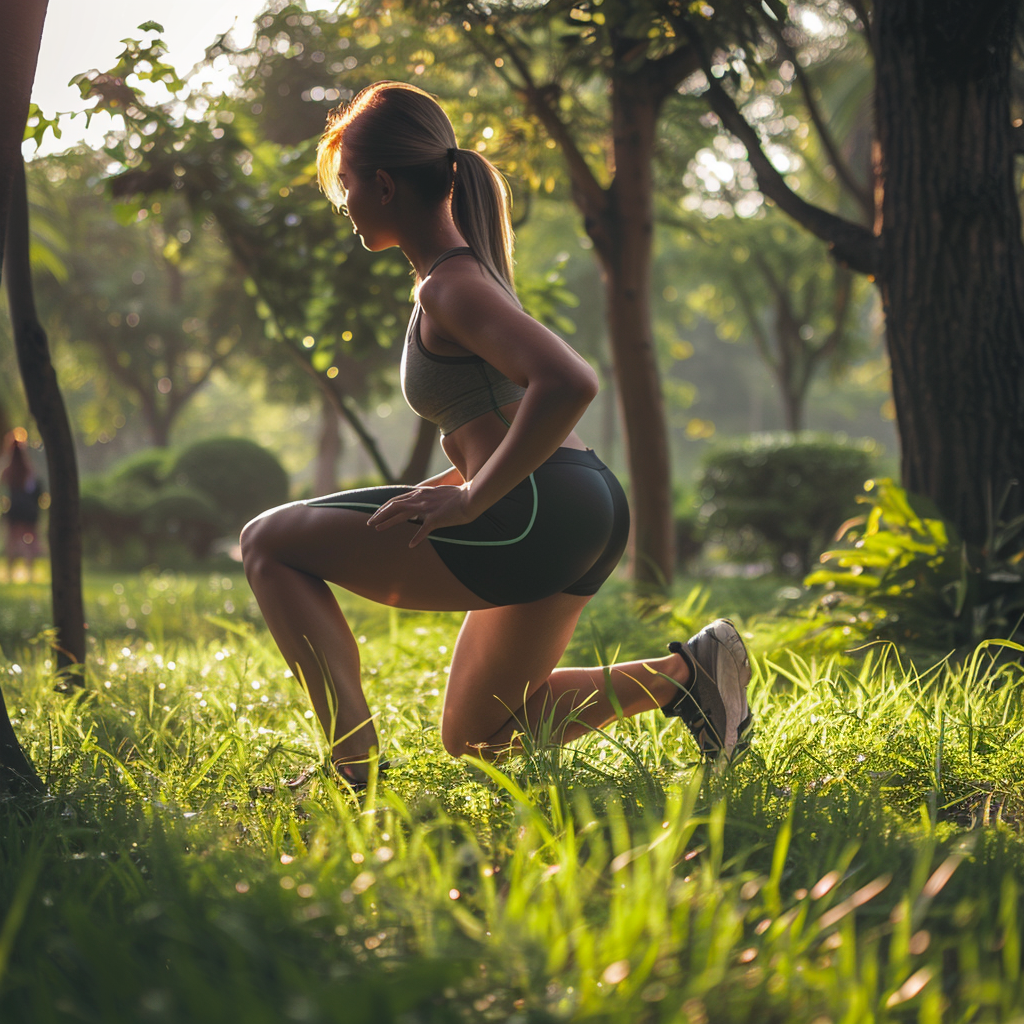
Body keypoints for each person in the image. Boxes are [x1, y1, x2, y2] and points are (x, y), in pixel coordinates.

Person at [240, 82, 752, 789]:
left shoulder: (450, 287)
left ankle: (351, 769)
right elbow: (500, 422)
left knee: (266, 541)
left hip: (538, 509)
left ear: (384, 184)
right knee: (478, 736)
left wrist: (476, 497)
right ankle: (686, 676)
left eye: (347, 183)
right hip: (575, 503)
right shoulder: (460, 279)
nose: (344, 203)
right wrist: (454, 487)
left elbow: (569, 381)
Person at [2, 433, 43, 582]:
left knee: (11, 541)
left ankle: (10, 574)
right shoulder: (28, 470)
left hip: (15, 510)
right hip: (28, 511)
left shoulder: (8, 470)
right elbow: (34, 490)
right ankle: (30, 573)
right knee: (30, 542)